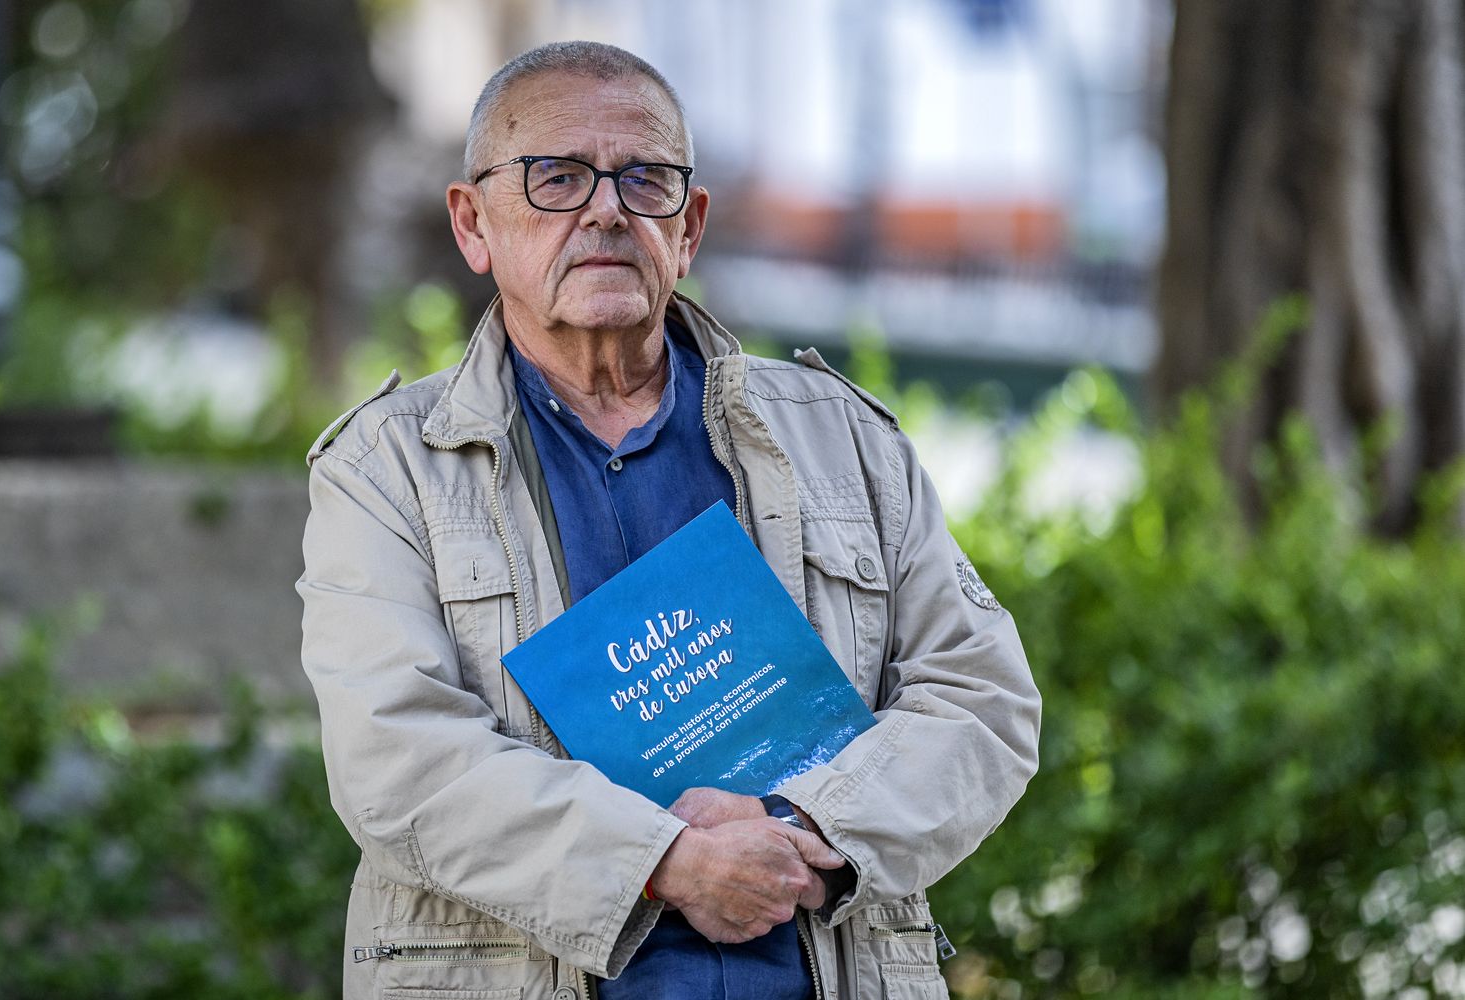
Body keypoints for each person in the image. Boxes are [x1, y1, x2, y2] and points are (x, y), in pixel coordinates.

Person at [297, 40, 1040, 1000]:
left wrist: (805, 826)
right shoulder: (386, 468)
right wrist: (666, 861)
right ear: (472, 223)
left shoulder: (843, 439)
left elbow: (982, 697)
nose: (605, 209)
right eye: (556, 178)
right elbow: (398, 760)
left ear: (686, 229)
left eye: (643, 180)